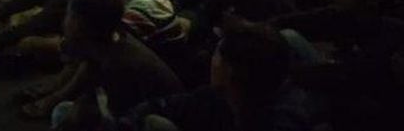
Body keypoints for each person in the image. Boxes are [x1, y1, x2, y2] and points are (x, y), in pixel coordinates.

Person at [270, 0, 404, 131]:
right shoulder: (343, 16)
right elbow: (292, 22)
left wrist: (285, 75)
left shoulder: (392, 35)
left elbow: (344, 74)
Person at [117, 24, 309, 131]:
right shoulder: (218, 97)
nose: (211, 59)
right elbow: (164, 106)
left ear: (230, 70)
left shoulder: (281, 121)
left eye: (217, 53)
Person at [50, 0, 184, 131]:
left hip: (145, 121)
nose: (65, 20)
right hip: (128, 113)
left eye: (69, 14)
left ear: (77, 24)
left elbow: (124, 120)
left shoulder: (119, 67)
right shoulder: (109, 41)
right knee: (64, 111)